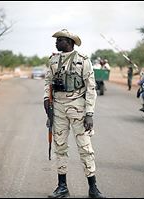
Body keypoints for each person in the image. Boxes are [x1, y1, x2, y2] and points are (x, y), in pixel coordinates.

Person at [44, 29, 105, 198]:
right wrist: (45, 100)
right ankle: (62, 187)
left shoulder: (83, 60)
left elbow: (91, 88)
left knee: (85, 148)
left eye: (60, 40)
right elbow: (47, 82)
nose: (56, 42)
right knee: (60, 147)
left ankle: (93, 188)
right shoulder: (53, 60)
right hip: (58, 108)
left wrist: (90, 113)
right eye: (57, 40)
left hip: (78, 107)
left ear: (69, 42)